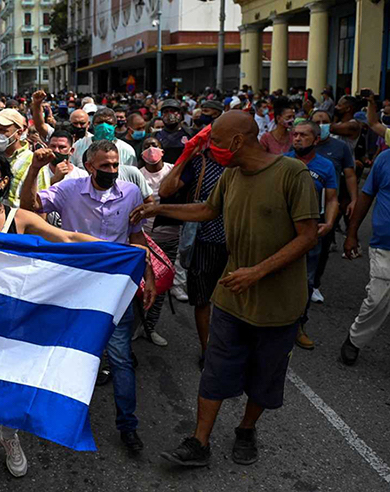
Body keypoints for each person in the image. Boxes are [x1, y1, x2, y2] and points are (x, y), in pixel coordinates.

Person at [136, 111, 318, 467]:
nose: (212, 148)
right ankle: (199, 442)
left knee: (265, 376)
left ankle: (246, 429)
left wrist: (258, 272)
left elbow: (308, 235)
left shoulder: (291, 173)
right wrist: (160, 207)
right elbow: (207, 209)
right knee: (216, 369)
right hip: (232, 297)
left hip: (278, 304)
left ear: (236, 142)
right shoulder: (232, 175)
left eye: (216, 142)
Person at [0, 146, 126, 492]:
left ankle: (10, 437)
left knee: (10, 385)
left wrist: (118, 253)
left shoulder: (18, 219)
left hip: (15, 321)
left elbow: (67, 238)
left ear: (3, 179)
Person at [19, 140, 156, 459]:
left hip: (115, 286)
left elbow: (137, 237)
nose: (111, 171)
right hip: (75, 285)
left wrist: (147, 274)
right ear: (89, 165)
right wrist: (36, 169)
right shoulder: (69, 190)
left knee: (120, 357)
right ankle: (51, 416)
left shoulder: (131, 193)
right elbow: (31, 206)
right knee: (62, 352)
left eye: (114, 165)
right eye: (104, 165)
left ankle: (128, 426)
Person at [341, 129, 390, 389]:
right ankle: (355, 340)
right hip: (389, 243)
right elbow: (367, 196)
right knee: (379, 298)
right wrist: (352, 232)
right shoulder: (386, 159)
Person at [158, 126, 227, 369]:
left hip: (237, 241)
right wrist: (187, 153)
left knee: (235, 301)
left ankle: (233, 349)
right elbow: (165, 190)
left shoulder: (241, 164)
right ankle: (208, 351)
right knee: (202, 299)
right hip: (204, 241)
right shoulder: (198, 164)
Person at [285, 121, 338, 350]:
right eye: (295, 134)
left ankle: (298, 326)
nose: (297, 139)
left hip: (309, 233)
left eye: (303, 135)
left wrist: (329, 223)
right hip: (281, 231)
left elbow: (332, 198)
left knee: (305, 281)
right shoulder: (282, 161)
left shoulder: (325, 166)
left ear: (316, 139)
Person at [310, 110, 357, 302]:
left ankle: (314, 285)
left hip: (329, 206)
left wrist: (354, 199)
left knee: (322, 248)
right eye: (317, 121)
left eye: (325, 121)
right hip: (302, 206)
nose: (321, 125)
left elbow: (350, 174)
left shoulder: (340, 147)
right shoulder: (301, 146)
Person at [135, 137, 178, 346]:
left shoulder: (173, 170)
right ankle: (137, 323)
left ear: (162, 150)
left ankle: (150, 327)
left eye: (155, 146)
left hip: (168, 235)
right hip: (143, 237)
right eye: (146, 147)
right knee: (139, 284)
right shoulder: (137, 174)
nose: (151, 150)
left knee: (161, 285)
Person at [7, 129, 88, 207]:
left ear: (71, 151)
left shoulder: (81, 175)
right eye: (53, 146)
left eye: (62, 147)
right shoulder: (39, 170)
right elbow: (29, 199)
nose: (56, 150)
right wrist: (54, 179)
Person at [71, 108, 137, 168]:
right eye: (99, 122)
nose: (104, 126)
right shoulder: (78, 146)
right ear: (93, 125)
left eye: (109, 123)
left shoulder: (126, 150)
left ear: (115, 126)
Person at [154, 99, 192, 164]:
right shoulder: (156, 136)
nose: (169, 115)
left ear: (180, 114)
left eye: (173, 111)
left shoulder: (190, 134)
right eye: (166, 112)